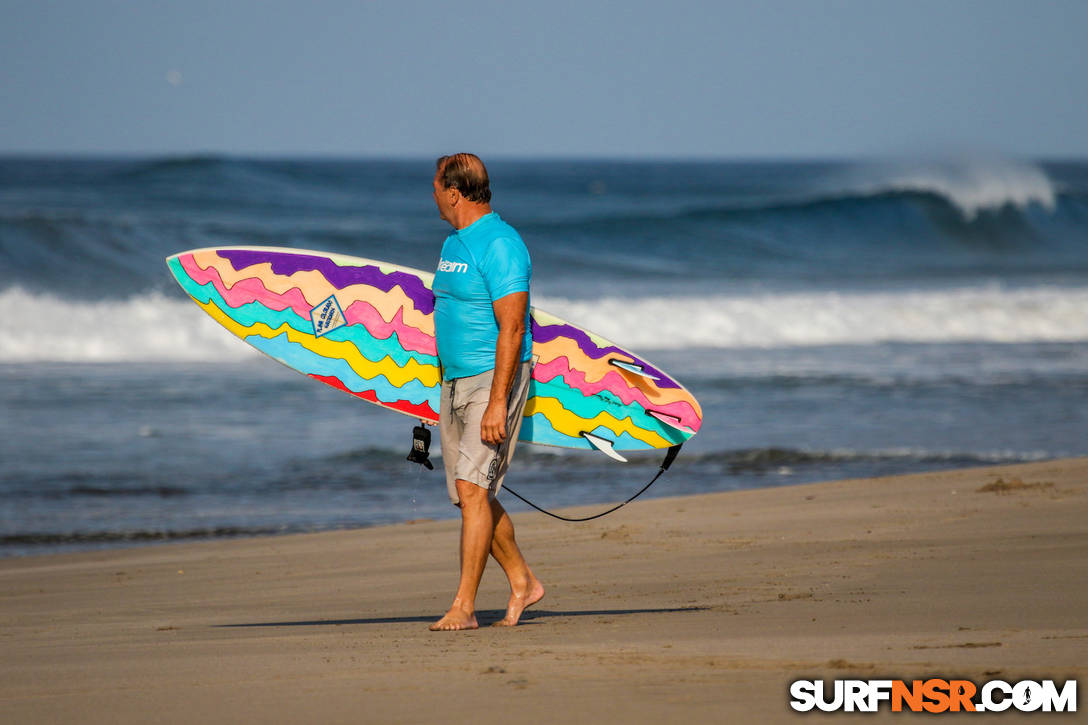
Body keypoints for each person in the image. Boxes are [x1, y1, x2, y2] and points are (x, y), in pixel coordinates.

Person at [429, 153, 544, 631]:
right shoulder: (455, 242)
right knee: (468, 494)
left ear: (453, 192)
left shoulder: (500, 243)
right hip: (454, 381)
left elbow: (513, 327)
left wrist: (498, 400)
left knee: (473, 491)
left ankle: (464, 606)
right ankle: (523, 581)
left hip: (489, 381)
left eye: (435, 186)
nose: (433, 195)